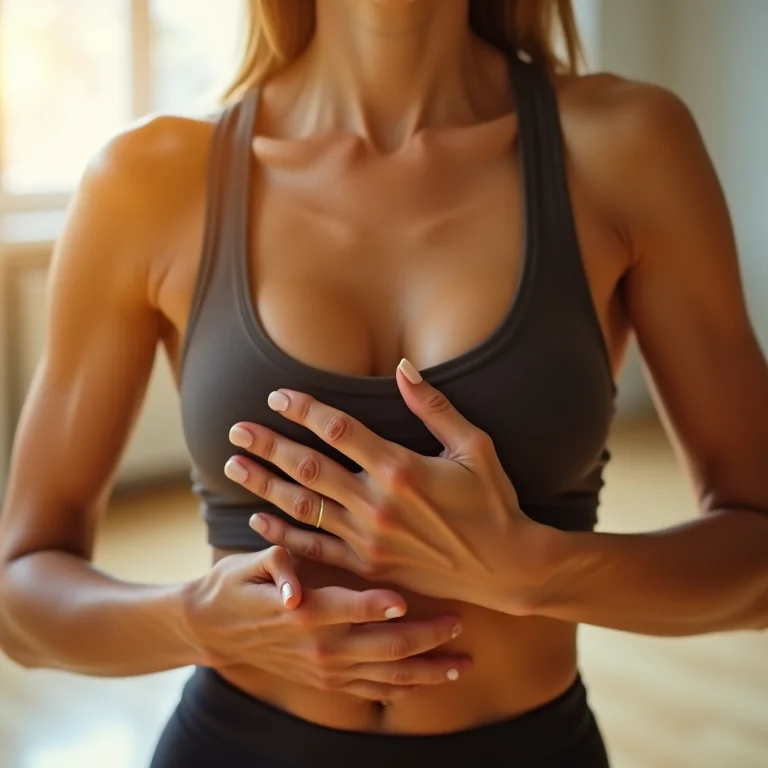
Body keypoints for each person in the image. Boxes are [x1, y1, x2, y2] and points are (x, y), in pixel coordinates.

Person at [1, 1, 767, 766]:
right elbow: (20, 598)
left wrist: (537, 570)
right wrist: (192, 621)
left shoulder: (627, 147)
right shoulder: (148, 180)